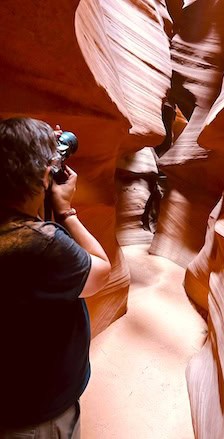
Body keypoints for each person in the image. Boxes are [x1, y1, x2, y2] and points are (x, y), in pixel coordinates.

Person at [0, 117, 111, 438]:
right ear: (44, 175)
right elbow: (99, 272)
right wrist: (64, 211)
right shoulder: (42, 244)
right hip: (36, 414)